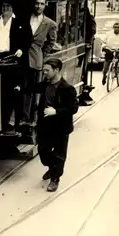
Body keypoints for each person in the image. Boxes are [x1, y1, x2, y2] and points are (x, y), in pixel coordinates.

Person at [0, 0, 33, 131]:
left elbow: (28, 38)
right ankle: (0, 122)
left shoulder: (20, 22)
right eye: (3, 5)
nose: (5, 8)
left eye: (8, 6)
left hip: (14, 60)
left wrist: (21, 50)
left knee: (14, 92)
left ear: (13, 8)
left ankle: (14, 123)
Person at [36, 58, 79, 192]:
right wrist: (19, 88)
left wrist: (56, 111)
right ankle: (51, 168)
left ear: (56, 70)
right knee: (43, 151)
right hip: (45, 125)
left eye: (47, 71)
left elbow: (73, 108)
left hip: (60, 127)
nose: (45, 73)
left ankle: (55, 178)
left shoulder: (67, 89)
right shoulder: (45, 84)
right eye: (44, 70)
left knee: (59, 154)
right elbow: (34, 88)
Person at [20, 0, 57, 126]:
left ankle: (30, 118)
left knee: (32, 89)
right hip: (21, 57)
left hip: (36, 60)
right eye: (37, 3)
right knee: (22, 88)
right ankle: (22, 117)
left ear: (45, 5)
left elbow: (52, 42)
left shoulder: (50, 23)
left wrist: (42, 54)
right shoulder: (25, 18)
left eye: (41, 4)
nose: (39, 6)